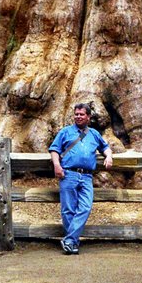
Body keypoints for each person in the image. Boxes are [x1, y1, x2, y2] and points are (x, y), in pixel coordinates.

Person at [49, 103, 113, 254]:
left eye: (81, 114)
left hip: (86, 176)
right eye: (76, 114)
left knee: (85, 207)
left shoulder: (94, 134)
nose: (78, 116)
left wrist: (109, 156)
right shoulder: (66, 132)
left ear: (88, 117)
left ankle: (69, 240)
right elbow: (54, 149)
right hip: (68, 174)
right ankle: (72, 243)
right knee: (68, 209)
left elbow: (105, 147)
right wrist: (57, 165)